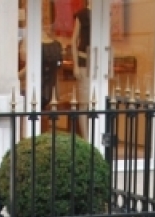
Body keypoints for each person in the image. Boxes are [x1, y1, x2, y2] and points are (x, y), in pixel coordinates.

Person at [72, 0, 91, 135]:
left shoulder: (104, 15)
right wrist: (76, 65)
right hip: (84, 60)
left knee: (97, 100)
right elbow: (74, 40)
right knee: (84, 101)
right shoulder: (82, 15)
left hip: (98, 62)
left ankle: (96, 135)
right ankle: (86, 137)